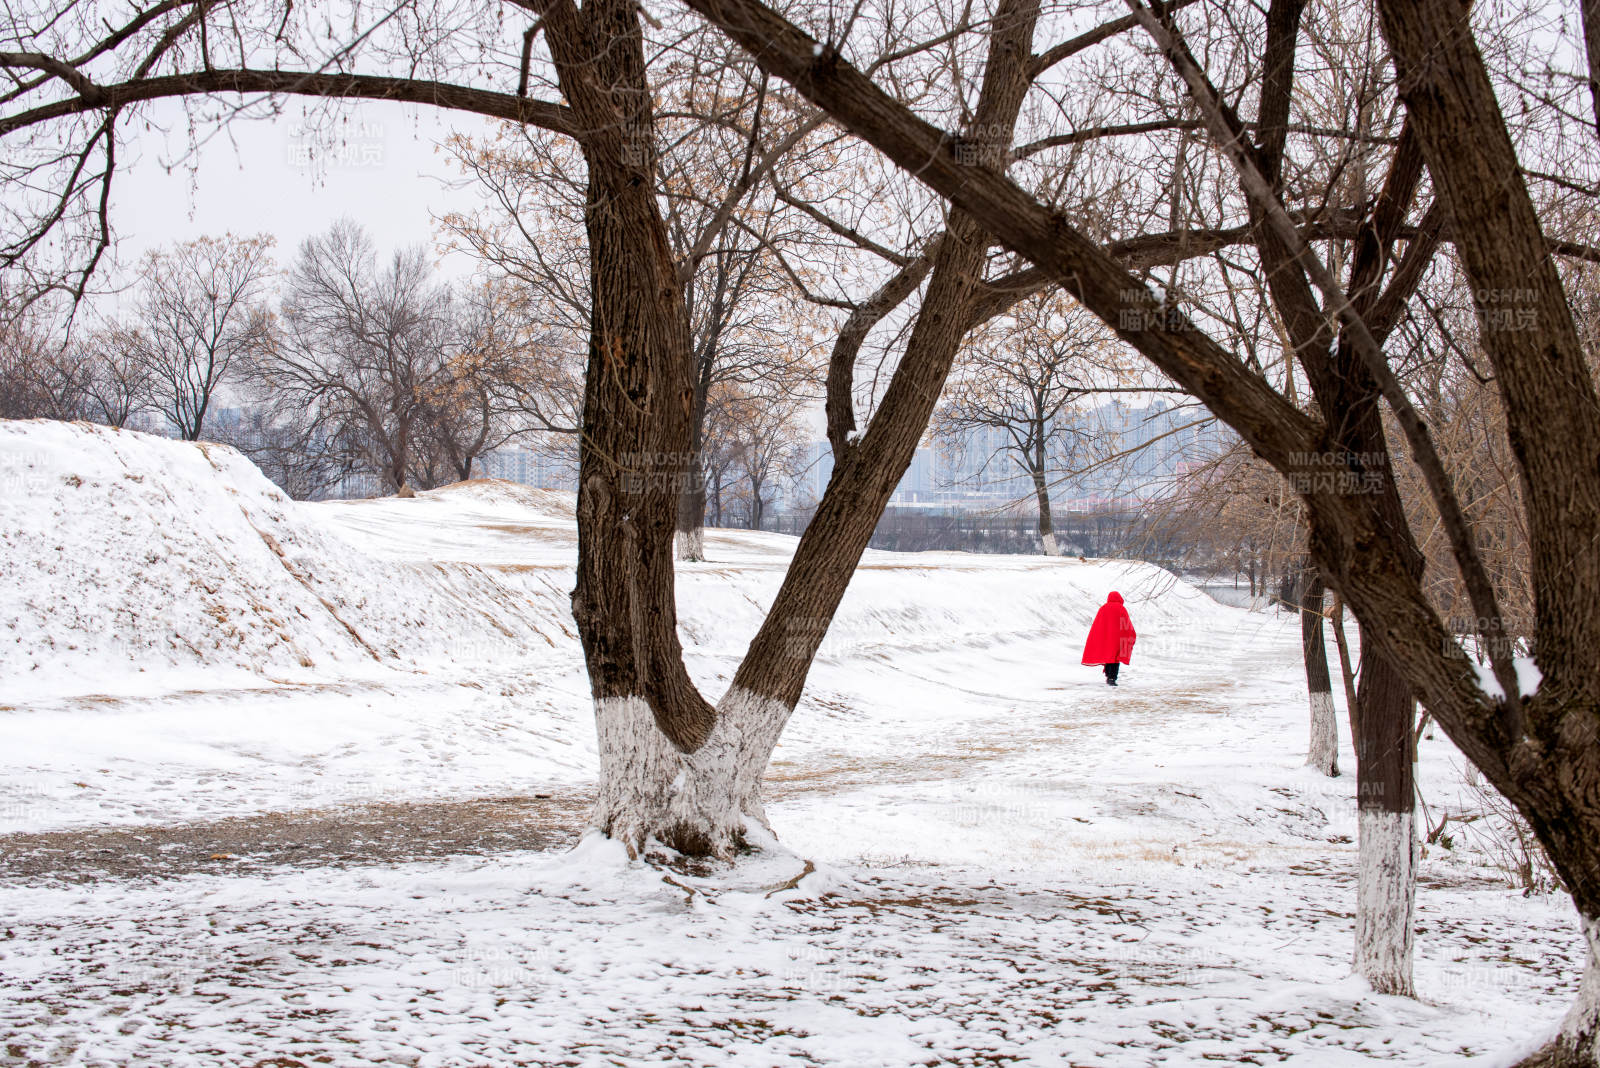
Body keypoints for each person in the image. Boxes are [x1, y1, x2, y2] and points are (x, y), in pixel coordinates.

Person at [1081, 591, 1136, 686]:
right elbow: (1125, 624)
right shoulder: (1121, 608)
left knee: (1108, 656)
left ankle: (1108, 676)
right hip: (1117, 638)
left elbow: (1098, 625)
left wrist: (1100, 637)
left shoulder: (1103, 608)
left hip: (1106, 638)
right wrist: (1129, 634)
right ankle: (1112, 678)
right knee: (1115, 657)